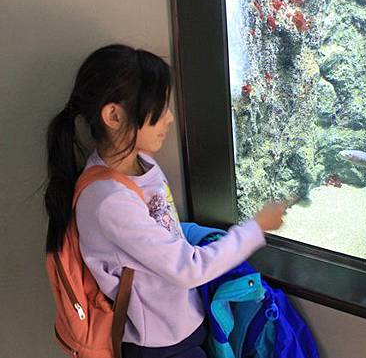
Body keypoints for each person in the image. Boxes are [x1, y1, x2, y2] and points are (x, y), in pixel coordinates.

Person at [44, 44, 287, 358]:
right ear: (114, 115)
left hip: (182, 326)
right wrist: (254, 228)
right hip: (159, 346)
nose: (170, 119)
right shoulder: (108, 201)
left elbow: (164, 229)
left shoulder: (142, 164)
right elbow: (189, 269)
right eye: (159, 110)